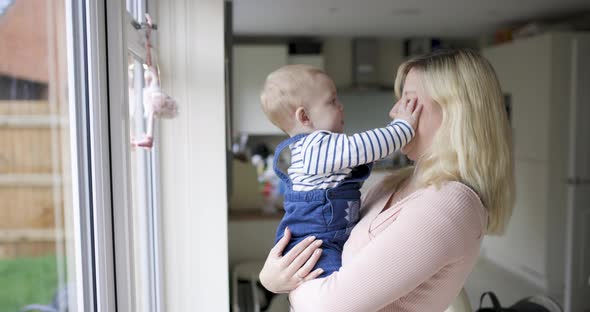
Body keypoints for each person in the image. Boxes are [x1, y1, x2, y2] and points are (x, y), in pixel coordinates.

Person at [259, 49, 515, 311]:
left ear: (454, 112)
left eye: (409, 101)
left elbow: (327, 307)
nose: (394, 112)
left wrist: (286, 285)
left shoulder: (449, 206)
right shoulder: (392, 183)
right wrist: (272, 277)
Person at [259, 64, 422, 277]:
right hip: (317, 245)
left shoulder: (314, 148)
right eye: (332, 101)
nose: (341, 106)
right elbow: (367, 146)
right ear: (305, 117)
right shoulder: (316, 147)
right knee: (331, 288)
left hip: (330, 237)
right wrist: (403, 127)